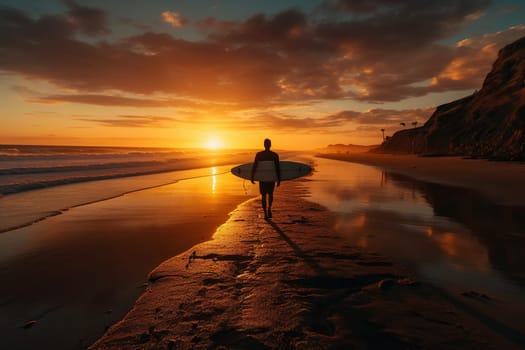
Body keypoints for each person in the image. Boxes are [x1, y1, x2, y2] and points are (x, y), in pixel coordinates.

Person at [251, 138, 280, 219]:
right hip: (271, 178)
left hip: (263, 178)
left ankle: (265, 213)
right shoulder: (274, 155)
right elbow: (277, 168)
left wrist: (252, 177)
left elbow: (255, 166)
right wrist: (279, 179)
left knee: (264, 195)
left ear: (264, 145)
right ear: (270, 145)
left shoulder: (259, 154)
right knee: (270, 195)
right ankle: (268, 209)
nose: (267, 145)